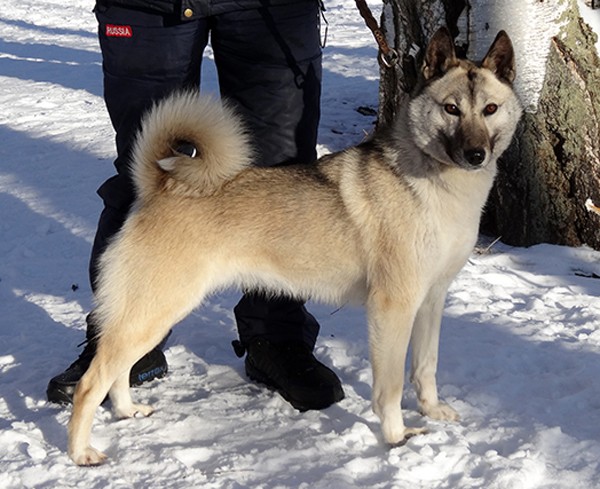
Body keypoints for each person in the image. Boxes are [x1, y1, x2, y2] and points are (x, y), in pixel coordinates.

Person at [46, 0, 345, 412]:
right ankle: (123, 341)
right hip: (146, 6)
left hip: (271, 9)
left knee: (284, 179)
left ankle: (278, 337)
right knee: (149, 173)